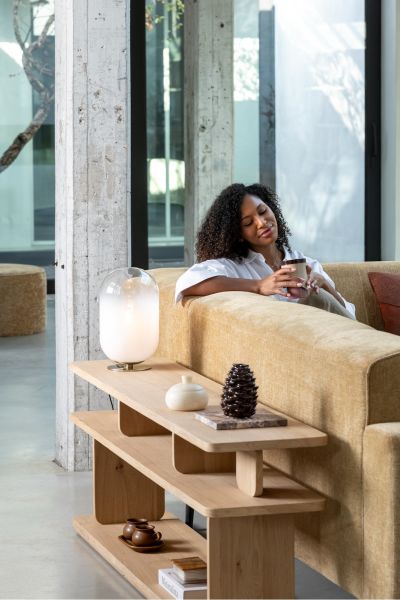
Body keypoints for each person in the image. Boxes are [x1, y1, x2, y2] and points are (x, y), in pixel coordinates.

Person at [175, 183, 356, 319]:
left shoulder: (303, 261)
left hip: (329, 339)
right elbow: (187, 283)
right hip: (286, 342)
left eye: (262, 211)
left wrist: (323, 284)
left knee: (319, 297)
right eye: (248, 223)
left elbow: (349, 317)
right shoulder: (235, 267)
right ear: (238, 234)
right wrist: (259, 286)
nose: (261, 223)